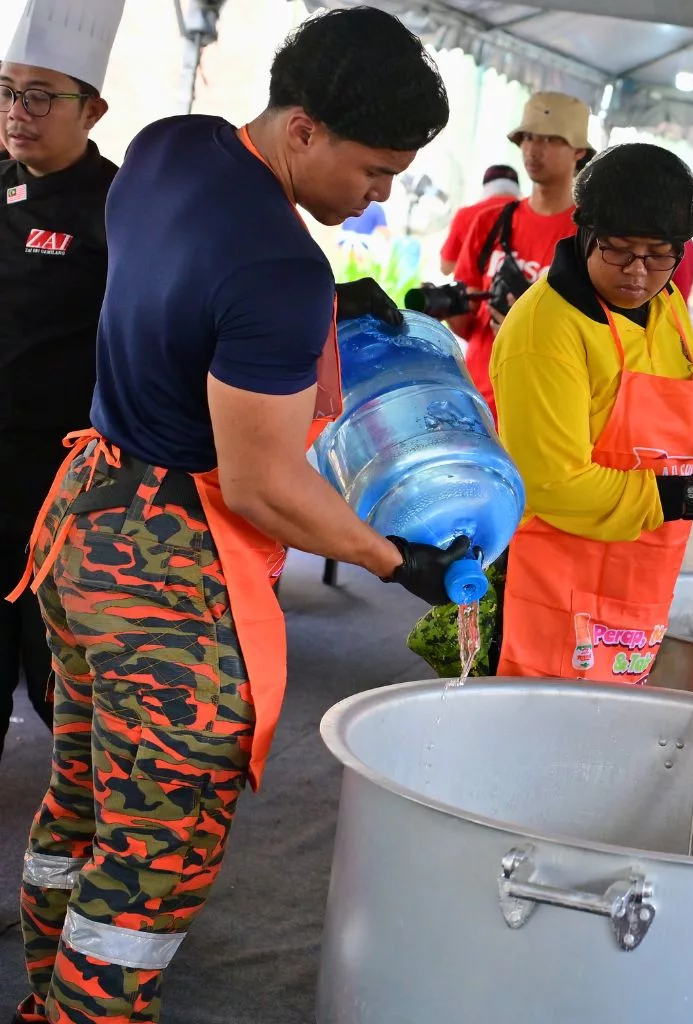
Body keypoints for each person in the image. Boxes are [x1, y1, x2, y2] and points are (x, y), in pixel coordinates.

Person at [5, 11, 466, 1022]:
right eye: (375, 170)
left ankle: (44, 998)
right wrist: (396, 559)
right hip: (166, 574)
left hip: (84, 517)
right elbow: (263, 485)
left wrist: (325, 310)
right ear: (303, 128)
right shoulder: (280, 269)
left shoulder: (170, 148)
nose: (382, 195)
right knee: (152, 858)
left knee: (80, 795)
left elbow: (186, 281)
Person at [489, 143, 693, 681]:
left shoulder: (665, 307)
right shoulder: (546, 331)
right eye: (619, 250)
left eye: (660, 254)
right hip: (555, 591)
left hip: (638, 587)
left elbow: (673, 436)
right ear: (585, 231)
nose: (639, 273)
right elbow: (552, 484)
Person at [0, 0, 121, 761]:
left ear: (93, 109)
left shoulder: (122, 205)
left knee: (61, 681)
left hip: (62, 485)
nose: (19, 112)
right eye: (8, 91)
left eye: (41, 96)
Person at [450, 91, 591, 418]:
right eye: (527, 137)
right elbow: (469, 324)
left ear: (579, 151)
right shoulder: (490, 222)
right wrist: (446, 307)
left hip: (542, 410)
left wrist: (529, 330)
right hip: (476, 404)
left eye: (550, 139)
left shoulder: (590, 237)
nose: (533, 149)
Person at [438, 163, 519, 274]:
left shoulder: (465, 214)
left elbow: (446, 267)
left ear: (486, 186)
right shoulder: (532, 215)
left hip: (473, 284)